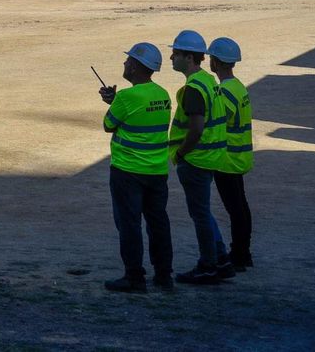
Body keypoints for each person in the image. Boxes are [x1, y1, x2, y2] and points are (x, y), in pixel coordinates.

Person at [99, 42, 174, 293]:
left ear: (135, 67)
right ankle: (164, 274)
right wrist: (117, 100)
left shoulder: (127, 97)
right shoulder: (163, 95)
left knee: (129, 224)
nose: (124, 64)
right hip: (156, 170)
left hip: (127, 171)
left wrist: (114, 101)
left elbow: (109, 124)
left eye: (128, 61)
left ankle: (134, 276)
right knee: (158, 223)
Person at [168, 29, 231, 284]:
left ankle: (208, 265)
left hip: (196, 159)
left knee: (200, 214)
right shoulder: (207, 80)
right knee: (204, 211)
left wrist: (181, 153)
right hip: (211, 156)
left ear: (189, 58)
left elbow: (196, 129)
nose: (171, 58)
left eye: (175, 53)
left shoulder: (193, 88)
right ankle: (221, 259)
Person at [209, 36, 253, 272]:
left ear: (216, 62)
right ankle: (243, 253)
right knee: (241, 207)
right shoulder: (238, 86)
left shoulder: (224, 92)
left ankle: (239, 254)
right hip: (240, 155)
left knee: (235, 209)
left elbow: (216, 122)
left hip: (227, 158)